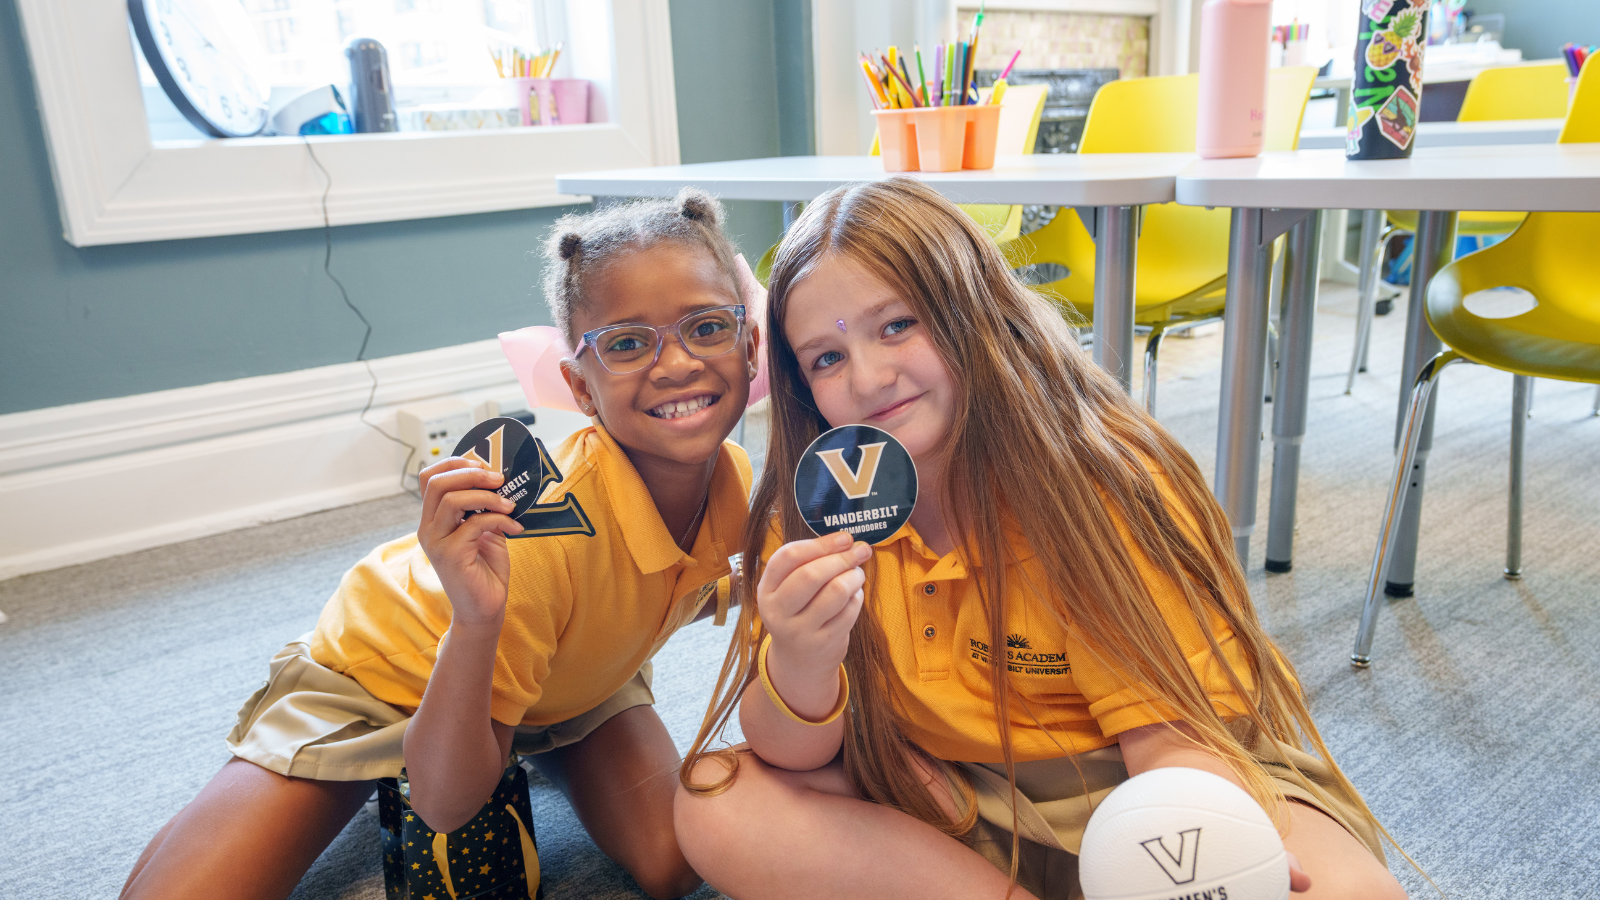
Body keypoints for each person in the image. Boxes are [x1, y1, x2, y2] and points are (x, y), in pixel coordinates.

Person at [674, 179, 1409, 900]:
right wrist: (801, 657)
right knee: (715, 800)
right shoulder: (816, 514)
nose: (867, 377)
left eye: (897, 325)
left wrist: (1198, 850)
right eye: (826, 358)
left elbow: (1172, 743)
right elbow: (790, 752)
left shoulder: (1097, 487)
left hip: (1147, 785)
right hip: (947, 809)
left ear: (975, 312)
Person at [122, 189, 760, 900]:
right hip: (393, 675)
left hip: (568, 677)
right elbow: (446, 805)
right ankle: (281, 771)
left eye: (707, 327)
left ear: (751, 344)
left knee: (678, 860)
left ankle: (515, 737)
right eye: (628, 343)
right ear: (580, 388)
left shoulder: (734, 478)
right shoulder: (542, 544)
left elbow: (683, 582)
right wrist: (478, 622)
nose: (676, 364)